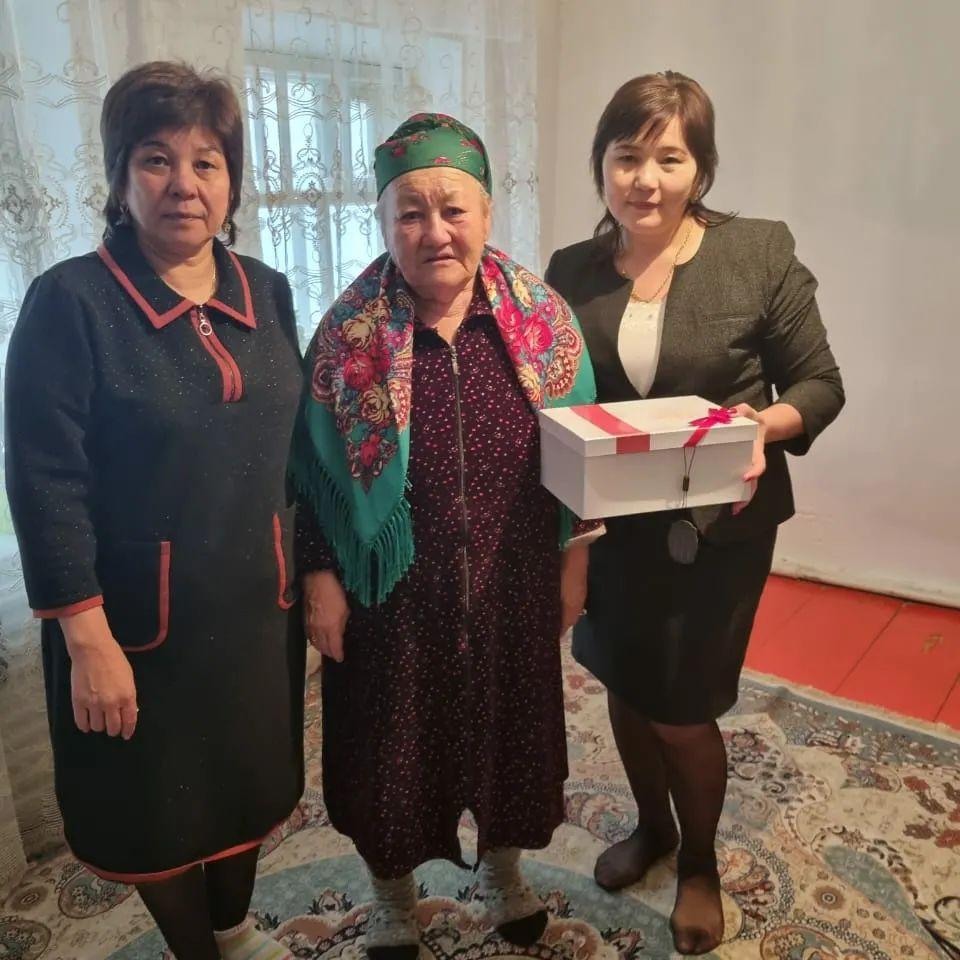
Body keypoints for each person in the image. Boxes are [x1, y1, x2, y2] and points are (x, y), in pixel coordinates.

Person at [4, 62, 305, 960]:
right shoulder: (72, 302)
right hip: (135, 629)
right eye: (156, 159)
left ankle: (235, 934)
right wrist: (86, 638)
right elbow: (44, 480)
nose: (184, 184)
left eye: (207, 161)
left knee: (247, 786)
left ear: (232, 180)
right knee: (153, 810)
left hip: (256, 614)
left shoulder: (268, 290)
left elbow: (300, 451)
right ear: (119, 176)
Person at [545, 72, 844, 955]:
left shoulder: (756, 252)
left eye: (668, 158)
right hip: (613, 527)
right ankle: (653, 828)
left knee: (680, 705)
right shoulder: (570, 270)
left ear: (700, 169)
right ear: (601, 163)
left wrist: (763, 425)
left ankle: (701, 864)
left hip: (720, 525)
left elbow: (820, 384)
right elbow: (560, 394)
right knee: (622, 682)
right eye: (626, 156)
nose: (645, 179)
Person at [289, 113, 598, 960]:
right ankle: (392, 897)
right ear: (384, 222)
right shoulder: (347, 335)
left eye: (454, 209)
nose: (435, 232)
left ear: (487, 213)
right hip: (392, 599)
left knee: (510, 743)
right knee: (389, 757)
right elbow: (312, 476)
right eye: (411, 212)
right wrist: (321, 578)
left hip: (512, 584)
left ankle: (503, 874)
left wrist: (574, 565)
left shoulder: (545, 322)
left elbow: (585, 463)